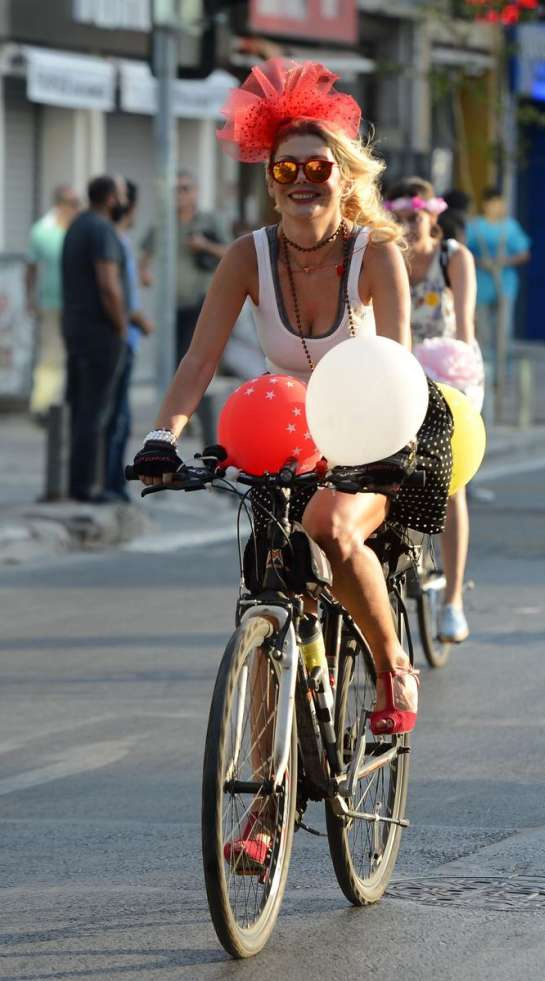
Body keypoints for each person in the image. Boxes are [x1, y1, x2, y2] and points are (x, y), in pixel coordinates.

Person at [131, 58, 454, 871]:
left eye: (320, 168)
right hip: (289, 432)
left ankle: (393, 670)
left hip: (386, 429)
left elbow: (396, 369)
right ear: (271, 185)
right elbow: (199, 364)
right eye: (289, 170)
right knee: (269, 580)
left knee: (330, 530)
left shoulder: (373, 253)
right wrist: (165, 435)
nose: (305, 181)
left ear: (344, 181)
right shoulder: (248, 256)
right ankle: (268, 809)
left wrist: (386, 446)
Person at [384, 177, 481, 644]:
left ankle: (454, 601)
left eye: (414, 218)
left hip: (449, 373)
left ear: (433, 216)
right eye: (398, 218)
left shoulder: (453, 258)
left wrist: (454, 381)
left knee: (450, 482)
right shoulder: (387, 257)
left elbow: (464, 325)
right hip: (399, 374)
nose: (406, 226)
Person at [61, 175, 128, 503]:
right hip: (99, 334)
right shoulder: (101, 230)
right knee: (96, 412)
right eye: (123, 195)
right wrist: (120, 326)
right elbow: (108, 285)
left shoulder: (77, 225)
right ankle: (88, 487)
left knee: (81, 409)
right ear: (112, 199)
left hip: (75, 329)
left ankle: (78, 483)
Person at [139, 169, 230, 368]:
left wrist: (205, 245)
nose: (180, 194)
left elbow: (231, 253)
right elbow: (144, 253)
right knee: (171, 357)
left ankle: (194, 398)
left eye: (185, 189)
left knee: (193, 357)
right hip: (170, 302)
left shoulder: (209, 220)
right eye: (175, 190)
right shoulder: (164, 222)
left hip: (201, 299)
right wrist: (144, 273)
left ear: (196, 191)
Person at [105, 179, 155, 501]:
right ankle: (112, 483)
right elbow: (116, 292)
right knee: (117, 417)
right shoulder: (115, 240)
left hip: (128, 337)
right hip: (123, 337)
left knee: (119, 417)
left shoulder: (121, 240)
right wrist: (137, 321)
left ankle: (112, 482)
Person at [25, 185, 80, 419]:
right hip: (52, 303)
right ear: (60, 204)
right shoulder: (42, 231)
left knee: (75, 355)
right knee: (51, 356)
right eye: (73, 203)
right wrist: (30, 299)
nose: (77, 208)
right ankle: (42, 406)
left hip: (79, 304)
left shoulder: (79, 227)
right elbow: (31, 268)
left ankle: (66, 402)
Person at [467, 186, 530, 357]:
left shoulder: (510, 227)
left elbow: (524, 253)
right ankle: (486, 366)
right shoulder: (475, 226)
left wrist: (505, 261)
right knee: (483, 331)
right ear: (485, 205)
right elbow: (462, 250)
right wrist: (479, 262)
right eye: (492, 203)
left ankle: (502, 371)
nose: (496, 207)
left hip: (505, 284)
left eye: (499, 203)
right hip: (481, 284)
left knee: (503, 330)